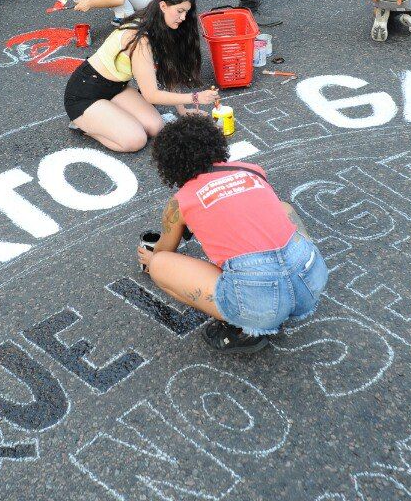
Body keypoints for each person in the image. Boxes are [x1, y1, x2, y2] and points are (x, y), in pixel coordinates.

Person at [140, 115, 328, 354]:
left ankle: (241, 329)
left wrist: (149, 259)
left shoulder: (180, 201)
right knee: (284, 207)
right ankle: (294, 274)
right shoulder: (251, 170)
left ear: (169, 164)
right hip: (310, 282)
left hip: (259, 303)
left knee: (159, 265)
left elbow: (165, 250)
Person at [62, 0, 215, 153]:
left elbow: (169, 71)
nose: (183, 18)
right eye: (180, 11)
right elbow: (151, 95)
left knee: (155, 127)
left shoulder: (161, 25)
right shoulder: (140, 38)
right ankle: (84, 125)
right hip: (85, 95)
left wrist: (183, 110)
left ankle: (107, 114)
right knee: (136, 140)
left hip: (116, 88)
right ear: (163, 6)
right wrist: (195, 98)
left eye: (186, 12)